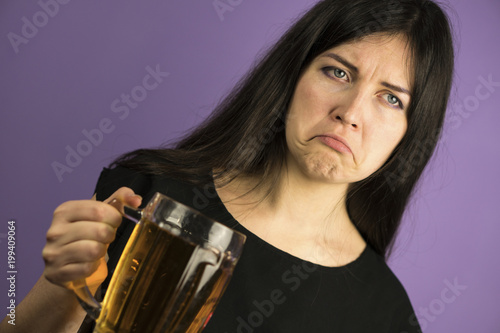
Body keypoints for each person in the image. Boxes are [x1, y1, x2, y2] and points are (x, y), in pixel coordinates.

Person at [1, 0, 454, 332]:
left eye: (391, 98)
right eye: (338, 71)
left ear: (410, 133)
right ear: (293, 75)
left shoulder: (386, 315)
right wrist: (64, 291)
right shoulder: (147, 193)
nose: (351, 111)